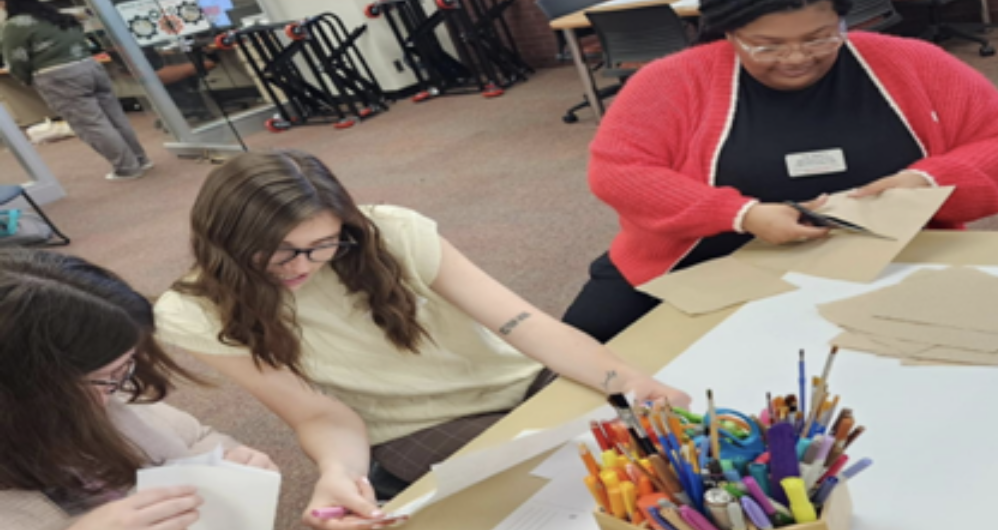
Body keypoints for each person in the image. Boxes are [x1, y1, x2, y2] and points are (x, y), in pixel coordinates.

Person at [152, 150, 692, 529]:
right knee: (563, 499)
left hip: (518, 381)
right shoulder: (190, 310)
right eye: (277, 251)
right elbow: (317, 415)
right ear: (222, 241)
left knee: (655, 458)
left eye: (322, 245)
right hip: (416, 426)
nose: (302, 266)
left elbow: (520, 322)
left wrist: (628, 380)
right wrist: (338, 476)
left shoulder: (391, 232)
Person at [563, 0, 998, 343]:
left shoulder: (914, 63)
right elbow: (619, 170)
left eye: (820, 38)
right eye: (767, 45)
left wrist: (929, 181)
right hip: (708, 258)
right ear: (728, 33)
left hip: (894, 254)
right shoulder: (671, 80)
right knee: (582, 342)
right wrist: (740, 215)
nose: (796, 58)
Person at [0, 248, 276, 530]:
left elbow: (194, 438)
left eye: (127, 365)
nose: (122, 385)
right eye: (108, 375)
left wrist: (229, 463)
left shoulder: (112, 399)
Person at [0, 0, 153, 180]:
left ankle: (127, 168)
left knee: (92, 125)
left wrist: (25, 79)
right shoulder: (58, 17)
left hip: (59, 77)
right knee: (114, 117)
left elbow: (16, 60)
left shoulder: (14, 25)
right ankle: (140, 159)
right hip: (91, 67)